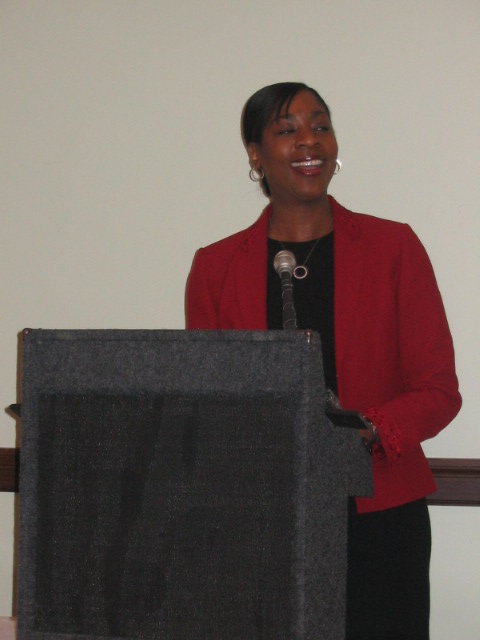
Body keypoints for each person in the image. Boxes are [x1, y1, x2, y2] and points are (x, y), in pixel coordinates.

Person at [185, 82, 461, 639]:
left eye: (321, 124)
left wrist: (368, 430)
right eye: (287, 129)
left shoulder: (394, 248)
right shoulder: (214, 268)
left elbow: (438, 389)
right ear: (256, 154)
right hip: (262, 519)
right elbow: (210, 403)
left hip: (380, 510)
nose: (309, 140)